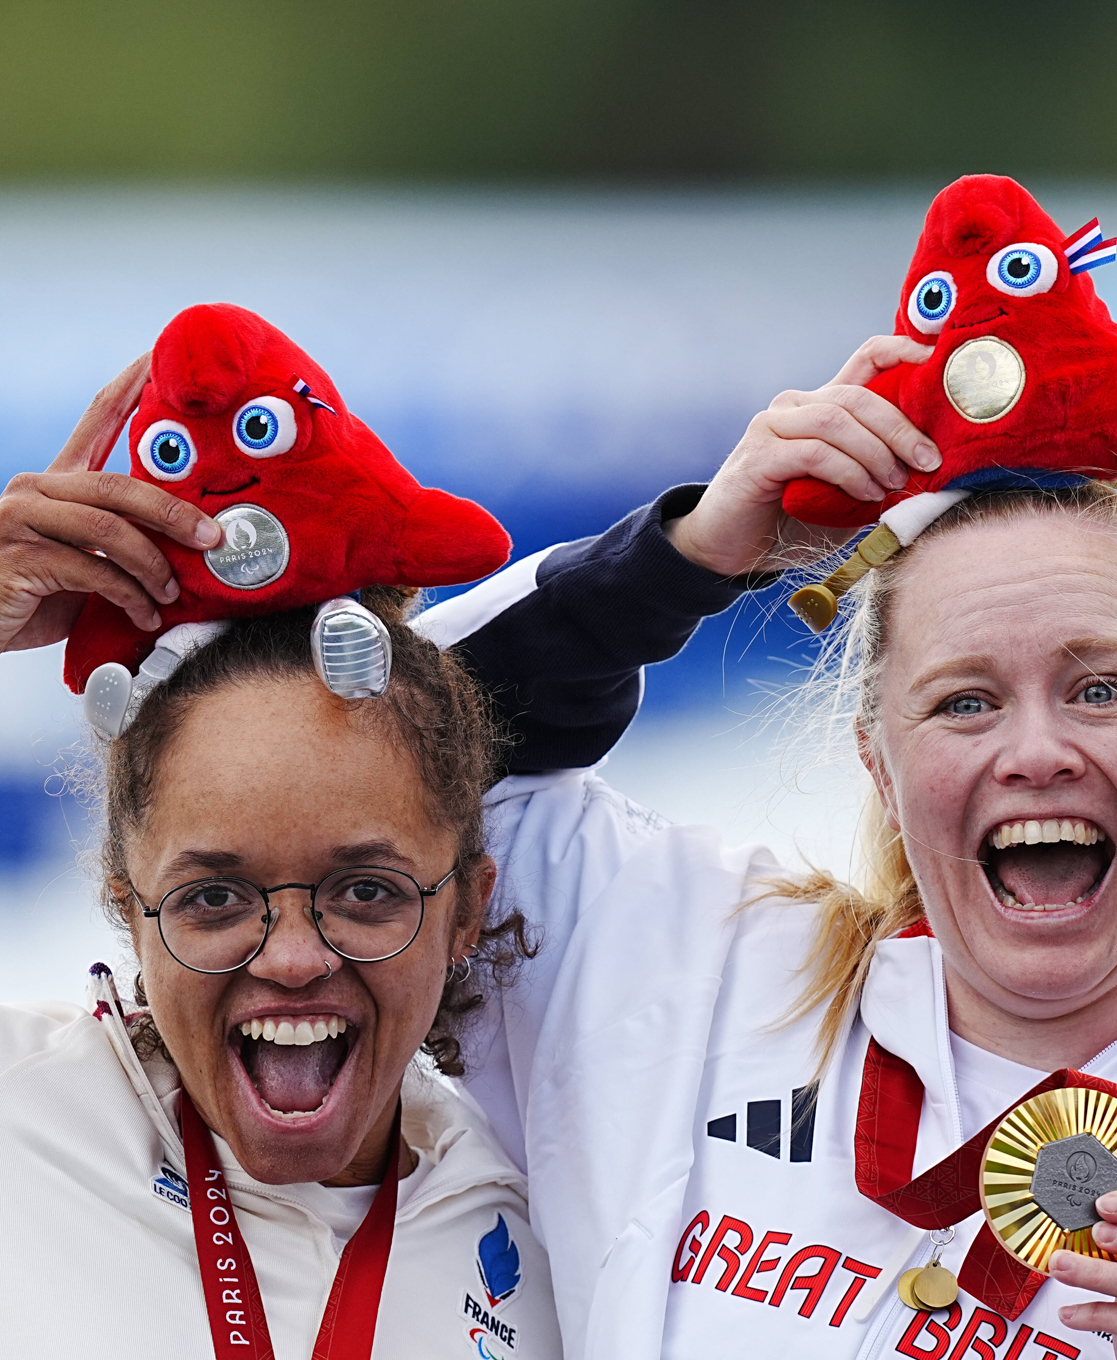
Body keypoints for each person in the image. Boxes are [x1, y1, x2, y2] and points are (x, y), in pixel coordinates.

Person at [444, 177, 1117, 1360]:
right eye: (964, 702)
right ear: (879, 763)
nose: (1038, 752)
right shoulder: (681, 965)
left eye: (1101, 687)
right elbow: (385, 758)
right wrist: (688, 556)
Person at [0, 310, 931, 1354]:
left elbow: (438, 703)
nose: (296, 956)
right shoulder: (17, 1115)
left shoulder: (554, 1224)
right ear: (126, 902)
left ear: (469, 911)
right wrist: (686, 554)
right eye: (215, 897)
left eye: (366, 892)